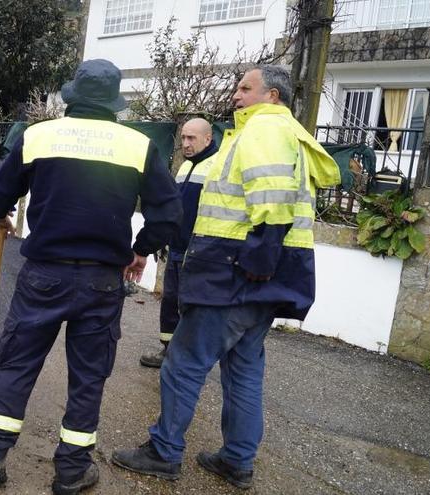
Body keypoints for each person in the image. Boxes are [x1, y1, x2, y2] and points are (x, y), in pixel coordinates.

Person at [111, 65, 340, 490]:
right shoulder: (286, 134)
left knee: (183, 364)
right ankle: (236, 459)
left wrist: (258, 260)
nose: (236, 95)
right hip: (262, 279)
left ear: (272, 96)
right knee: (243, 369)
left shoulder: (265, 130)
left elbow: (271, 201)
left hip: (235, 276)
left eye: (245, 88)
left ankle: (164, 452)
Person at [0, 59, 183, 495]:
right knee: (88, 377)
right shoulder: (138, 146)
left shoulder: (39, 135)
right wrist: (140, 251)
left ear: (72, 96)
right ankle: (71, 471)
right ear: (115, 102)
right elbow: (170, 215)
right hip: (103, 280)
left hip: (44, 274)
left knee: (17, 364)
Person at [139, 118, 219, 368]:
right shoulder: (185, 167)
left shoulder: (217, 166)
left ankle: (189, 358)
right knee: (170, 301)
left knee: (192, 306)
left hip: (198, 251)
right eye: (183, 138)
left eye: (191, 138)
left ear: (207, 138)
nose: (185, 143)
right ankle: (168, 352)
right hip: (176, 247)